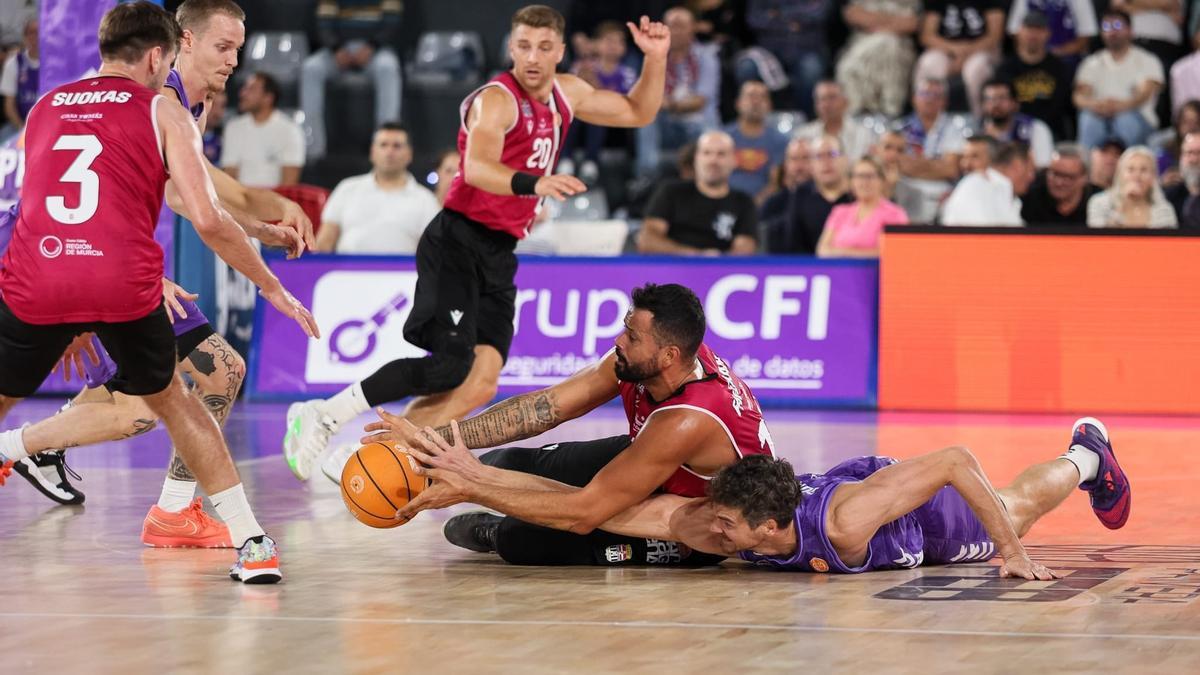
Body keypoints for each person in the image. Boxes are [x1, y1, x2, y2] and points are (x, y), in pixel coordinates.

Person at [0, 1, 318, 583]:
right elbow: (203, 210)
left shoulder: (45, 106)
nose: (234, 60)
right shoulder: (162, 105)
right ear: (166, 52)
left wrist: (73, 307)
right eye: (224, 47)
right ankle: (248, 540)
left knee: (208, 376)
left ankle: (163, 507)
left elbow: (38, 203)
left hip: (39, 271)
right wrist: (272, 285)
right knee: (169, 401)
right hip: (121, 277)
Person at [284, 6, 672, 481]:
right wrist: (535, 184)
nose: (533, 57)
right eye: (524, 46)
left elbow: (638, 111)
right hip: (457, 240)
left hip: (500, 251)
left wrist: (656, 57)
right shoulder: (497, 100)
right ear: (511, 48)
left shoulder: (567, 93)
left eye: (544, 47)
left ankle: (371, 453)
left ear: (560, 51)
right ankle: (324, 413)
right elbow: (477, 168)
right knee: (451, 368)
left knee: (480, 384)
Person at [366, 283, 777, 566]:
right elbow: (544, 408)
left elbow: (583, 513)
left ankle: (499, 531)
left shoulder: (686, 419)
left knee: (522, 539)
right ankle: (508, 506)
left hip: (697, 517)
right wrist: (431, 440)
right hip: (655, 458)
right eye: (625, 329)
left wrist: (474, 487)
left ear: (669, 355)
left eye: (632, 337)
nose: (618, 341)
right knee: (504, 462)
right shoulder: (658, 359)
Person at [408, 417, 1130, 579]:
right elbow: (590, 506)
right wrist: (476, 481)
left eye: (727, 525)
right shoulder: (718, 519)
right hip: (853, 488)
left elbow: (953, 460)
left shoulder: (844, 524)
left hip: (920, 517)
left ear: (767, 524)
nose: (712, 533)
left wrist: (1012, 551)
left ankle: (1085, 454)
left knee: (1015, 501)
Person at [314, 123, 440, 254]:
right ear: (372, 152)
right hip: (348, 267)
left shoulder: (426, 200)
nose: (389, 152)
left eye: (397, 146)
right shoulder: (346, 189)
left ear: (409, 154)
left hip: (405, 267)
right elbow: (324, 242)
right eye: (383, 145)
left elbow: (432, 252)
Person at [300, 0, 403, 159]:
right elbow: (324, 24)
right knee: (311, 68)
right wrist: (336, 48)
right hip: (338, 50)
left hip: (376, 51)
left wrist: (371, 46)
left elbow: (391, 23)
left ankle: (385, 147)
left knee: (388, 68)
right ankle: (313, 148)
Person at [638, 130, 757, 256]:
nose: (713, 160)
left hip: (721, 267)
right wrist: (697, 256)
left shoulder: (744, 202)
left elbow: (744, 250)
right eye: (707, 153)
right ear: (696, 159)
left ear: (734, 161)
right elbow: (647, 241)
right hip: (673, 266)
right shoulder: (671, 192)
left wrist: (714, 262)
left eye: (721, 154)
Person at [635, 7, 718, 177]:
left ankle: (710, 176)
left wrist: (669, 104)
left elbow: (700, 101)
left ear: (693, 28)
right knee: (645, 118)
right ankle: (647, 175)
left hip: (697, 121)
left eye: (681, 26)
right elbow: (646, 97)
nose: (676, 31)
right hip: (667, 123)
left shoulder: (706, 57)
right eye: (672, 26)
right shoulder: (653, 57)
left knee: (708, 127)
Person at [1073, 9, 1165, 151]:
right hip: (1099, 115)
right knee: (1089, 119)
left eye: (1117, 25)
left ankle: (1131, 162)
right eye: (1106, 27)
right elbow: (1079, 97)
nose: (1112, 32)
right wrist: (1097, 105)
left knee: (1125, 120)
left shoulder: (1147, 60)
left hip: (1137, 118)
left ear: (1130, 30)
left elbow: (1144, 94)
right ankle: (1087, 163)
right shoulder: (1091, 62)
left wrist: (1119, 106)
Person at [895, 78, 968, 224]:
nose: (929, 100)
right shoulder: (900, 127)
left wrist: (915, 164)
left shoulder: (955, 128)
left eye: (936, 95)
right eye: (924, 94)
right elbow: (899, 166)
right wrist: (936, 164)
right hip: (906, 192)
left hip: (942, 195)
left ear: (944, 101)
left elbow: (951, 169)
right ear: (914, 98)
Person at [915, 0, 1006, 118]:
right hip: (946, 50)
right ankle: (928, 121)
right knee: (930, 63)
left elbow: (995, 35)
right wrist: (955, 50)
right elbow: (927, 36)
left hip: (982, 50)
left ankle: (981, 120)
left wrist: (965, 54)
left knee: (976, 68)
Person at [996, 9, 1076, 139]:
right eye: (1029, 29)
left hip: (1052, 133)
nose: (1033, 35)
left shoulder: (1059, 67)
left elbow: (1062, 106)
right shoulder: (1005, 68)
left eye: (1038, 30)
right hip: (1015, 133)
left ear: (1048, 33)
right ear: (1019, 32)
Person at [766, 135, 851, 254]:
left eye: (832, 154)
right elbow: (793, 245)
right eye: (819, 156)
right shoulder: (800, 195)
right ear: (812, 165)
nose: (826, 162)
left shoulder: (859, 196)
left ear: (845, 159)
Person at [835, 0, 921, 117]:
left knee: (889, 45)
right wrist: (892, 20)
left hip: (899, 45)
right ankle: (860, 112)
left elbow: (911, 24)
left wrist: (874, 20)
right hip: (862, 43)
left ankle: (890, 113)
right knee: (849, 67)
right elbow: (853, 15)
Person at [221, 71, 305, 187]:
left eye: (251, 89)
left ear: (268, 98)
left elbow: (289, 183)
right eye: (244, 88)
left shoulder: (290, 130)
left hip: (275, 197)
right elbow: (229, 175)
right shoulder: (233, 127)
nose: (242, 93)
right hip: (238, 197)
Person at [816, 157, 908, 258]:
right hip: (838, 268)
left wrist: (842, 253)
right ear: (851, 182)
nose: (864, 182)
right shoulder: (840, 211)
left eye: (870, 176)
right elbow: (822, 250)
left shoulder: (894, 214)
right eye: (859, 176)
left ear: (882, 180)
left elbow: (894, 253)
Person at [721, 80, 788, 203]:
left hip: (763, 206)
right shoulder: (722, 138)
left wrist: (751, 207)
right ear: (738, 103)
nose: (756, 102)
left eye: (762, 97)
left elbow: (775, 184)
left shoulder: (780, 141)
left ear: (770, 106)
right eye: (751, 96)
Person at [941, 141, 1035, 226]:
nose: (1032, 177)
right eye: (1030, 170)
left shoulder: (1009, 196)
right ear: (1017, 166)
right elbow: (982, 234)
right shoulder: (976, 186)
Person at [1086, 145, 1178, 228]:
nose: (1137, 176)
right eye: (1130, 169)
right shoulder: (1098, 203)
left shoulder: (1164, 210)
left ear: (1153, 177)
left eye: (1144, 170)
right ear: (1120, 174)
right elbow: (1099, 237)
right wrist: (1124, 205)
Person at [978, 78, 1054, 167]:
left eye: (1002, 98)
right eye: (990, 99)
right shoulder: (975, 132)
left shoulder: (1035, 128)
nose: (996, 104)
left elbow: (1043, 165)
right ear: (982, 105)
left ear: (1015, 103)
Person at [796, 81, 877, 164]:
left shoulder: (863, 134)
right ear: (816, 105)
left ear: (845, 102)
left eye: (832, 98)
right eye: (822, 99)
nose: (827, 104)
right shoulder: (804, 135)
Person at [1021, 143, 1095, 226]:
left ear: (1084, 178)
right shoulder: (1029, 199)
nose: (1058, 182)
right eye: (1054, 174)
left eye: (1067, 177)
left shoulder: (1097, 201)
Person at [1005, 1, 1097, 64]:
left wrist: (1052, 56)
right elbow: (1015, 31)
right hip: (1031, 58)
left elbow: (1085, 36)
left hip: (1067, 60)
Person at [0, 17, 36, 133]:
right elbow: (9, 106)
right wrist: (22, 129)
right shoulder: (14, 63)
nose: (35, 37)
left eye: (38, 32)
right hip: (20, 125)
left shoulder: (56, 63)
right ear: (25, 37)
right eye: (31, 33)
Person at [1164, 131, 1200, 219]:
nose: (1194, 159)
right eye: (1189, 153)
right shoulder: (1170, 194)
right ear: (1181, 157)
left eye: (1199, 153)